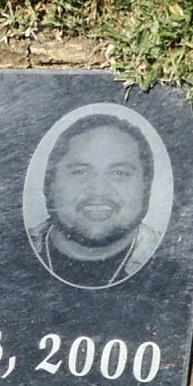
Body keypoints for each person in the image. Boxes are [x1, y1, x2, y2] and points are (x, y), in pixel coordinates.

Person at [28, 114, 160, 288]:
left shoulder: (170, 258)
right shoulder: (10, 253)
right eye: (80, 172)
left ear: (146, 186)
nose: (99, 190)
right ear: (50, 184)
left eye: (119, 173)